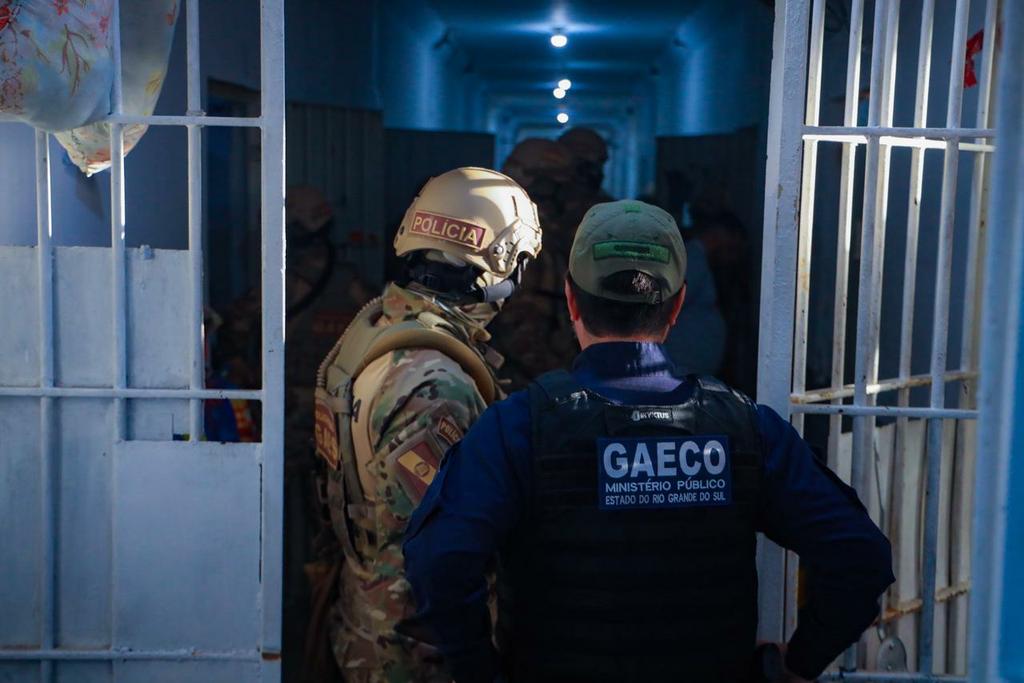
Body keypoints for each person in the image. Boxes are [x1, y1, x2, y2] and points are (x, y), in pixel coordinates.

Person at [402, 199, 894, 683]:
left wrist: (479, 670)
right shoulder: (747, 428)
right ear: (677, 305)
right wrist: (801, 660)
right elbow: (860, 557)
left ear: (571, 299)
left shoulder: (516, 428)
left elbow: (439, 563)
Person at [312, 167, 542, 682]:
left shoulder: (378, 329)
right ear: (505, 261)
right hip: (416, 652)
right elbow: (437, 552)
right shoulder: (436, 383)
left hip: (367, 622)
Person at [489, 138, 578, 390]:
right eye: (556, 184)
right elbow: (516, 324)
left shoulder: (547, 230)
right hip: (523, 382)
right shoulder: (519, 236)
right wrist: (563, 381)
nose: (565, 194)